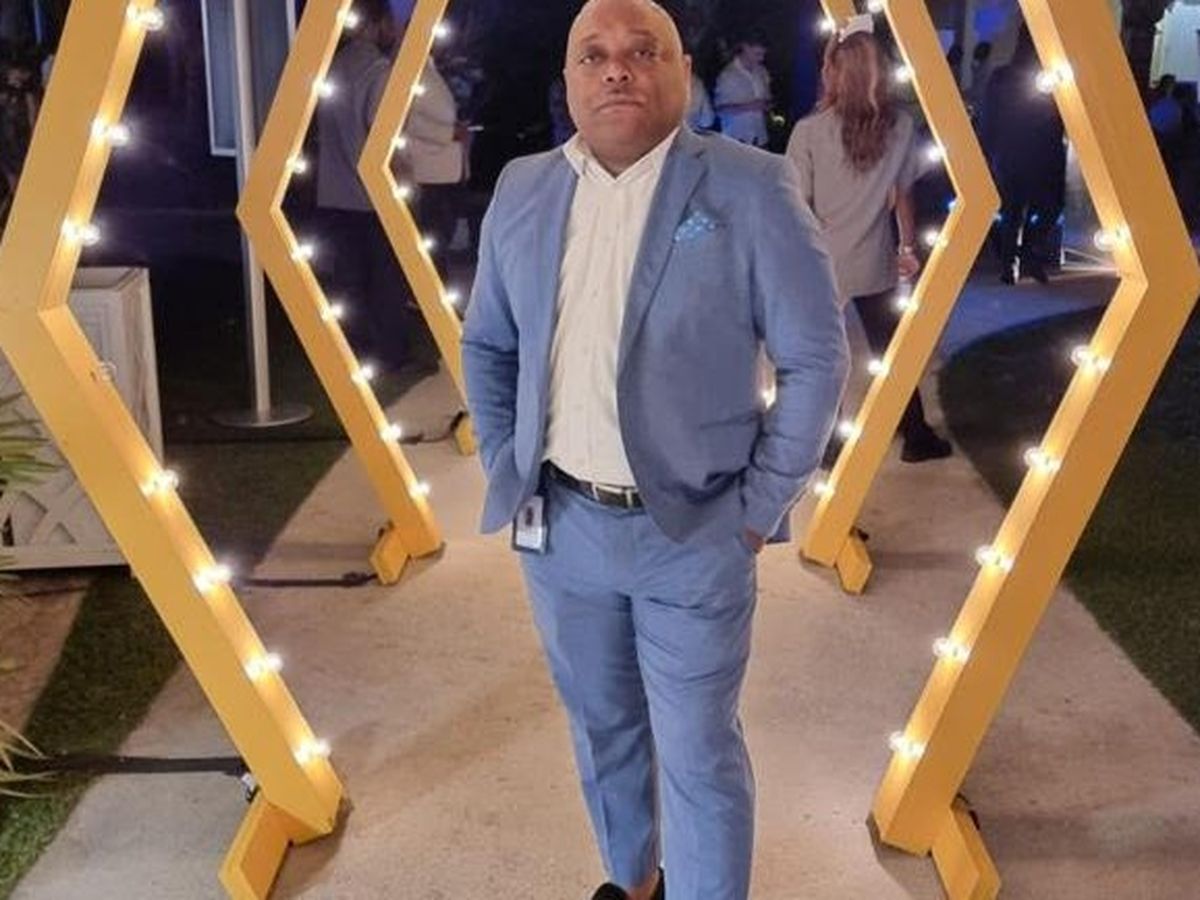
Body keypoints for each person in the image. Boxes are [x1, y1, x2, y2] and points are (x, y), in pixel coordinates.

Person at [462, 1, 848, 897]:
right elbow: (487, 343)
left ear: (682, 72)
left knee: (698, 754)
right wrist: (505, 463)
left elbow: (816, 358)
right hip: (559, 529)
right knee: (601, 730)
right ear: (568, 80)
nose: (617, 69)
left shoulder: (751, 187)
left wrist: (758, 510)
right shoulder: (523, 187)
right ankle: (631, 883)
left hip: (696, 533)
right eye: (593, 54)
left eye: (643, 51)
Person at [786, 15, 952, 464]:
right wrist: (906, 247)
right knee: (890, 354)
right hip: (873, 259)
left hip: (821, 263)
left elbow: (797, 207)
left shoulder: (810, 132)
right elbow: (903, 194)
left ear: (836, 73)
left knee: (822, 359)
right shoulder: (901, 127)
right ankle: (915, 435)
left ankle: (827, 444)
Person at [316, 0, 433, 374]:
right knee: (386, 279)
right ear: (378, 24)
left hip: (334, 192)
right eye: (391, 23)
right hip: (374, 195)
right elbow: (385, 140)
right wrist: (405, 181)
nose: (394, 32)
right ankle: (391, 354)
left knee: (350, 280)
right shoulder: (379, 73)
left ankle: (354, 351)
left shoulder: (333, 68)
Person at [979, 25, 1066, 285]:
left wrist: (989, 149)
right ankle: (1026, 254)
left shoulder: (1002, 77)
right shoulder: (1050, 80)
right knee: (1043, 206)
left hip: (1012, 152)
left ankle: (1012, 262)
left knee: (1013, 210)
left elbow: (989, 117)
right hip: (1039, 152)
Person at [403, 54, 470, 270]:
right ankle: (429, 278)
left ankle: (434, 275)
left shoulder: (429, 69)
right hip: (429, 171)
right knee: (433, 233)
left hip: (442, 169)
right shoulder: (411, 71)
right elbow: (405, 120)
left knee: (440, 231)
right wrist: (449, 133)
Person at [713, 32, 771, 146]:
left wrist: (767, 104)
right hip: (736, 140)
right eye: (757, 54)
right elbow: (720, 110)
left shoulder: (762, 72)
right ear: (745, 48)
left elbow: (767, 98)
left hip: (760, 138)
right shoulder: (728, 75)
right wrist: (750, 106)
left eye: (763, 54)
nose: (761, 58)